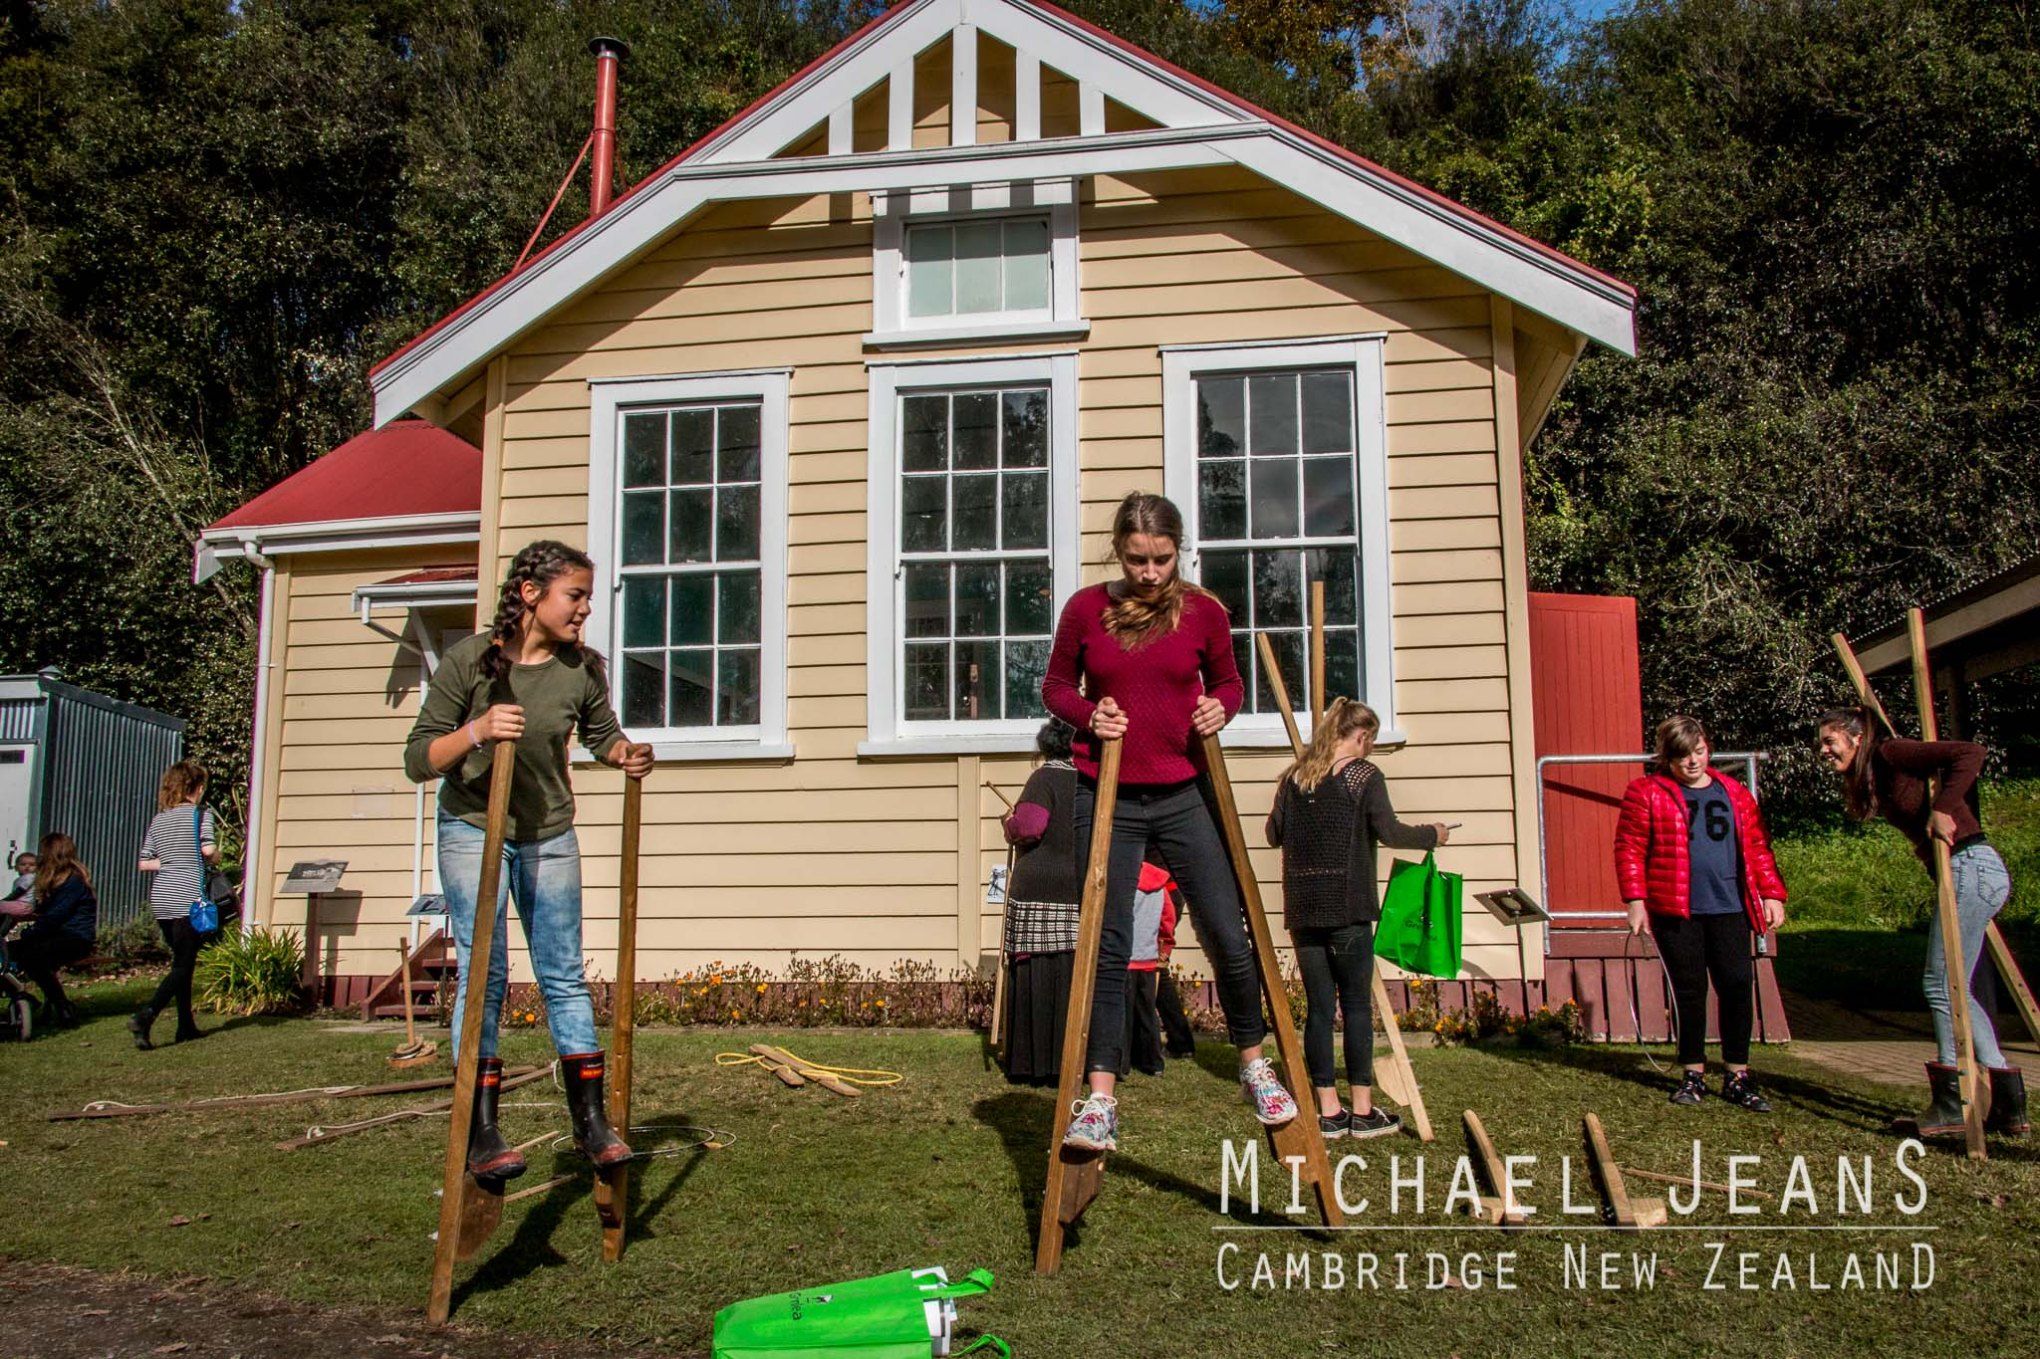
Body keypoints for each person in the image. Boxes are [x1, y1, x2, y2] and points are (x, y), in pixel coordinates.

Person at [1042, 490, 1298, 1151]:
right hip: (1107, 795)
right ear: (1118, 551)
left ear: (1177, 551)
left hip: (1185, 792)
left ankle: (1253, 1064)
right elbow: (1056, 687)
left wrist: (1221, 707)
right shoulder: (1086, 609)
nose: (1150, 573)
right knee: (1108, 943)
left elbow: (1230, 683)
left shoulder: (1204, 612)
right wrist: (1089, 714)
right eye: (1137, 559)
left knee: (1226, 929)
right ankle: (1101, 1099)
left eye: (1161, 559)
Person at [405, 539, 653, 1181]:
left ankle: (591, 1124)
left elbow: (602, 735)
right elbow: (418, 759)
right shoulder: (471, 662)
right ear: (531, 593)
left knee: (563, 974)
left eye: (587, 597)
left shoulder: (580, 670)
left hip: (549, 833)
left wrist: (624, 754)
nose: (585, 609)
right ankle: (481, 1130)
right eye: (576, 595)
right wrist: (477, 731)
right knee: (485, 972)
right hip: (473, 828)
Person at [1817, 707, 2025, 1137]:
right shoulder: (1875, 771)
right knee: (1955, 987)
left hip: (1972, 866)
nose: (1823, 750)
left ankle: (1953, 1102)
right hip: (1966, 871)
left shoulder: (1891, 752)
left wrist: (1944, 808)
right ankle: (2008, 1104)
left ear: (1857, 738)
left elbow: (1971, 752)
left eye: (1829, 740)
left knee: (1941, 984)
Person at [1267, 697, 1447, 1140]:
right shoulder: (1363, 775)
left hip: (1304, 908)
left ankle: (1328, 1111)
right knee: (1356, 1006)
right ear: (1362, 736)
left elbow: (1273, 834)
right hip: (1347, 907)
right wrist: (1433, 835)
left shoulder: (1294, 777)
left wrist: (1296, 800)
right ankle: (1362, 1111)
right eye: (1372, 740)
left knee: (1319, 1009)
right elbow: (1390, 831)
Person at [1614, 716, 1786, 1111]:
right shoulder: (1647, 792)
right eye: (1682, 756)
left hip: (1730, 906)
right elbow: (1630, 847)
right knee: (1689, 991)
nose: (1692, 761)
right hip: (1676, 910)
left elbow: (1758, 847)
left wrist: (1772, 894)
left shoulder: (1734, 792)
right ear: (1667, 758)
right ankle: (1692, 1073)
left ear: (1708, 748)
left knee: (1737, 985)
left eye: (1699, 752)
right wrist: (1635, 900)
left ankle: (1738, 1075)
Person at [1000, 720, 1082, 1087]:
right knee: (1068, 974)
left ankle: (1031, 1063)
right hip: (1078, 886)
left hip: (1039, 887)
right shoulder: (1088, 780)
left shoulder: (1044, 778)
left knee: (1037, 973)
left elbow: (1031, 827)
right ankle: (1068, 1062)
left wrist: (1009, 824)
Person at [134, 760, 220, 1048]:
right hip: (188, 897)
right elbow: (208, 849)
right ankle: (147, 1015)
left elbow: (145, 862)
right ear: (197, 787)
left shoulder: (159, 819)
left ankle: (185, 1025)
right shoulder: (201, 814)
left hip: (162, 897)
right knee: (183, 965)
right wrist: (214, 857)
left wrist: (171, 862)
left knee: (181, 961)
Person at [8, 833, 97, 1028]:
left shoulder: (74, 881)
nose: (40, 857)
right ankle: (26, 998)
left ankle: (62, 1007)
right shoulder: (55, 881)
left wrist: (29, 932)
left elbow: (54, 916)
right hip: (56, 936)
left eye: (43, 853)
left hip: (76, 938)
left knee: (32, 956)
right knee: (8, 953)